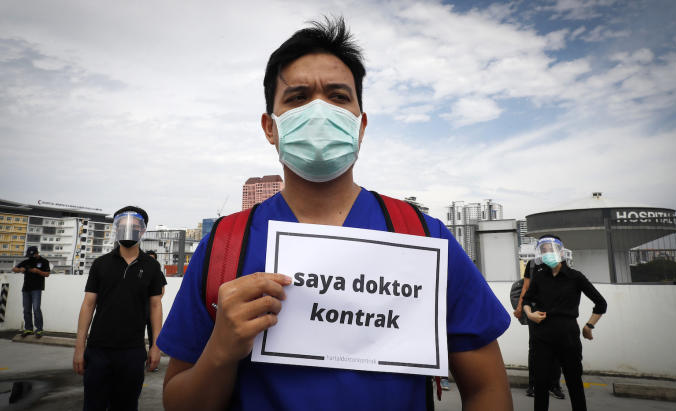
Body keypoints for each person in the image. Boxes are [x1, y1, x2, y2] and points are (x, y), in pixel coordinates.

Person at [158, 17, 513, 411]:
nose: (320, 112)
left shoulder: (423, 237)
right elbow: (178, 401)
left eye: (339, 97)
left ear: (360, 126)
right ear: (270, 127)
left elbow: (487, 390)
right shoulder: (224, 246)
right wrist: (220, 352)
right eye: (297, 98)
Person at [73, 206, 166, 411]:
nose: (128, 230)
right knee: (93, 405)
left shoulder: (151, 267)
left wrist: (156, 346)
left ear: (142, 231)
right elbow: (88, 305)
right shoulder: (101, 264)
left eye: (133, 227)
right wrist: (80, 348)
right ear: (116, 228)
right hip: (98, 350)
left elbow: (155, 306)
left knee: (126, 405)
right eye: (123, 226)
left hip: (132, 351)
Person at [523, 235, 607, 411]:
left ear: (561, 252)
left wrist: (589, 326)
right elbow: (527, 300)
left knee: (574, 381)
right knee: (540, 384)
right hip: (541, 335)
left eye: (550, 249)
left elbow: (601, 303)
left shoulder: (576, 277)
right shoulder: (539, 276)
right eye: (543, 250)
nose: (547, 253)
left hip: (567, 335)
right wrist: (530, 315)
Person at [514, 260, 564, 399]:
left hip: (554, 312)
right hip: (535, 312)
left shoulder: (560, 263)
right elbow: (525, 287)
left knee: (555, 348)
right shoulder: (531, 264)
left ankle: (554, 385)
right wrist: (519, 307)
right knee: (535, 348)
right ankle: (533, 385)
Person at [12, 246, 50, 338]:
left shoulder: (44, 261)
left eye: (32, 255)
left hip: (37, 289)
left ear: (37, 253)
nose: (30, 257)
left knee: (36, 309)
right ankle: (28, 328)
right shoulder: (26, 261)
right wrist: (20, 269)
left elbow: (47, 274)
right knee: (26, 310)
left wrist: (37, 271)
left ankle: (39, 330)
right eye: (29, 255)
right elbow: (14, 269)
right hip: (26, 289)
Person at [144, 250, 166, 372]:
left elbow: (162, 290)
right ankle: (140, 360)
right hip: (140, 309)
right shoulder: (140, 271)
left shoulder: (158, 274)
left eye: (153, 258)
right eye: (149, 258)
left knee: (154, 336)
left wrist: (154, 302)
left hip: (152, 310)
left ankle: (153, 362)